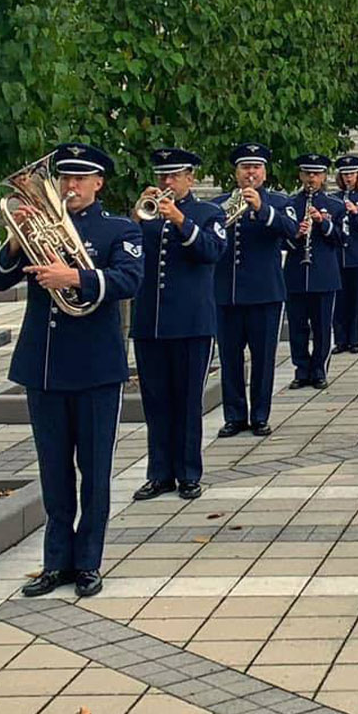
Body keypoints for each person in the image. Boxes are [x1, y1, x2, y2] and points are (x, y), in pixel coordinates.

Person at [0, 143, 144, 598]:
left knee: (95, 471)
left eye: (80, 179)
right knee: (53, 471)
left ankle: (89, 563)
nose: (70, 187)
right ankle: (55, 562)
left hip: (96, 367)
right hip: (45, 366)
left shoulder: (117, 229)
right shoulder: (38, 227)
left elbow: (128, 280)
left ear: (99, 183)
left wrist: (74, 278)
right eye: (65, 178)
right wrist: (17, 237)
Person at [129, 148, 224, 504]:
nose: (166, 183)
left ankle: (188, 473)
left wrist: (181, 220)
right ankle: (159, 473)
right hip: (151, 323)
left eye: (173, 176)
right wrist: (137, 218)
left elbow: (212, 251)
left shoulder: (208, 213)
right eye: (162, 176)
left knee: (186, 402)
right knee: (155, 402)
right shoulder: (146, 216)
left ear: (190, 178)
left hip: (191, 324)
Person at [214, 143, 293, 438]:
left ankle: (260, 415)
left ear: (264, 172)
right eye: (245, 167)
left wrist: (262, 209)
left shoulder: (278, 202)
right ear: (236, 172)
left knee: (263, 359)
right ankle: (234, 415)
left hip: (265, 294)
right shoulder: (221, 203)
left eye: (256, 167)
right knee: (230, 359)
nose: (251, 173)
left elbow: (291, 229)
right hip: (227, 293)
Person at [285, 153, 354, 391]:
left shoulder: (335, 206)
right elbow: (282, 241)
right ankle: (301, 369)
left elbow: (343, 238)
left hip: (324, 275)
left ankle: (319, 370)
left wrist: (323, 223)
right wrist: (296, 234)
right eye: (307, 174)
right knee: (297, 326)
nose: (311, 179)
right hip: (295, 274)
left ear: (324, 176)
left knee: (323, 326)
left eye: (316, 174)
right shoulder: (290, 205)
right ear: (301, 176)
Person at [332, 156, 358, 355]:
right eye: (345, 174)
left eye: (352, 174)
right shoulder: (333, 199)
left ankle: (354, 340)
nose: (348, 178)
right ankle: (340, 340)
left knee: (356, 300)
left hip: (357, 255)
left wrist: (357, 213)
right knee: (339, 301)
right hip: (338, 255)